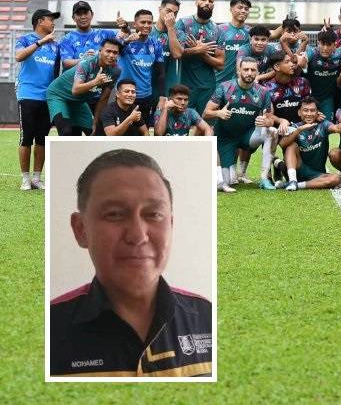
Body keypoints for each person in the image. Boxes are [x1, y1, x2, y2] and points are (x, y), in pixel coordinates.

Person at [50, 149, 212, 377]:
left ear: (171, 225)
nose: (137, 235)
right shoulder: (51, 328)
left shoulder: (207, 316)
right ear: (81, 229)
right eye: (115, 214)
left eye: (154, 214)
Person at [204, 57, 279, 193]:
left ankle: (264, 179)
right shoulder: (225, 87)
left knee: (272, 131)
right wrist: (219, 113)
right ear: (239, 71)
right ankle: (230, 170)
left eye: (253, 70)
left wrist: (266, 122)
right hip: (225, 139)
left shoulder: (263, 92)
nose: (249, 73)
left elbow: (269, 119)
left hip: (248, 136)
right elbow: (206, 113)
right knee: (227, 181)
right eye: (246, 69)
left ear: (257, 72)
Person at [15, 8, 61, 190]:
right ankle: (25, 178)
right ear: (40, 21)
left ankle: (36, 178)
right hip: (27, 94)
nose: (53, 23)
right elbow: (19, 56)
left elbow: (56, 73)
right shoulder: (24, 39)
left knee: (42, 138)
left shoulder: (56, 46)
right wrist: (41, 43)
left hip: (47, 97)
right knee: (26, 138)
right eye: (51, 20)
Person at [46, 38, 122, 136]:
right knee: (66, 132)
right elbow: (75, 90)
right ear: (100, 51)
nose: (111, 55)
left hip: (78, 101)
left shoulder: (115, 71)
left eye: (115, 53)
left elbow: (104, 98)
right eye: (108, 51)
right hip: (59, 96)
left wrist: (96, 122)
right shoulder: (87, 63)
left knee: (96, 132)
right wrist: (95, 82)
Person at [260, 55, 312, 186]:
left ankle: (280, 165)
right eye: (287, 62)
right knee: (267, 130)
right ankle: (267, 175)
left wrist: (316, 115)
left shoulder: (302, 83)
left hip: (298, 127)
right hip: (278, 128)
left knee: (299, 175)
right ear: (277, 67)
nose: (293, 65)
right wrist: (281, 120)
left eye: (293, 62)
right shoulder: (267, 88)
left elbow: (309, 106)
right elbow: (268, 115)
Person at [279, 97, 341, 191]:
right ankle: (292, 180)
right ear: (299, 112)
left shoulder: (323, 124)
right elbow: (282, 144)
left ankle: (296, 185)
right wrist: (300, 130)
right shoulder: (295, 127)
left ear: (318, 113)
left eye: (312, 110)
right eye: (305, 110)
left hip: (317, 175)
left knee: (336, 179)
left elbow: (336, 128)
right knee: (291, 145)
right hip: (298, 170)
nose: (309, 114)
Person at [118, 9, 165, 127]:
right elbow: (115, 51)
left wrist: (161, 96)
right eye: (142, 22)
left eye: (149, 23)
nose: (146, 25)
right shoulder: (125, 41)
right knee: (124, 131)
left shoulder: (156, 44)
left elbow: (160, 73)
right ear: (135, 24)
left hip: (146, 96)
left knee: (143, 131)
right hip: (126, 96)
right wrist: (126, 40)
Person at [175, 0, 219, 115]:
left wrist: (201, 52)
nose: (207, 3)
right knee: (183, 122)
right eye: (203, 0)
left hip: (208, 86)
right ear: (196, 2)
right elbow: (177, 52)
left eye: (210, 1)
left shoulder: (216, 29)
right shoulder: (183, 23)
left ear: (213, 5)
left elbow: (220, 64)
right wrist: (197, 49)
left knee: (204, 125)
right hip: (185, 85)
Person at [58, 0, 120, 71]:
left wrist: (125, 27)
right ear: (73, 18)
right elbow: (66, 63)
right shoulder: (67, 39)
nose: (83, 17)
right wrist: (84, 60)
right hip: (73, 81)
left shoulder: (104, 34)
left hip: (99, 79)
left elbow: (123, 35)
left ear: (92, 15)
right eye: (79, 14)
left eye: (85, 13)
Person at [304, 28, 341, 120]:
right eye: (322, 44)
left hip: (327, 99)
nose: (325, 48)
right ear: (318, 43)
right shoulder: (311, 52)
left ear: (335, 45)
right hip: (309, 97)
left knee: (328, 126)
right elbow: (303, 57)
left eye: (329, 45)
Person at [212, 0, 252, 86]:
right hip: (217, 81)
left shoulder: (250, 32)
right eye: (240, 7)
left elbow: (272, 35)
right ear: (231, 9)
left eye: (246, 9)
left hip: (240, 83)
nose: (243, 11)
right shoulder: (219, 29)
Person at [150, 0, 183, 108]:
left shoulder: (178, 33)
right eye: (168, 11)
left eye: (175, 13)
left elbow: (177, 54)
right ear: (160, 9)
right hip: (148, 87)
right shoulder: (148, 31)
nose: (171, 16)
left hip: (169, 89)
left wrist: (170, 28)